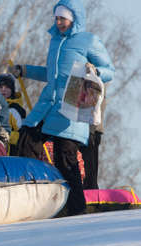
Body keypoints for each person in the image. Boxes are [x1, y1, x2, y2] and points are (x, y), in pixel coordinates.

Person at [10, 0, 114, 216]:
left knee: (65, 159)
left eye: (63, 18)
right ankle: (30, 199)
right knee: (26, 143)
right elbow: (50, 74)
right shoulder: (55, 41)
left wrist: (95, 70)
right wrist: (25, 70)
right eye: (56, 18)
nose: (59, 23)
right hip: (47, 108)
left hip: (71, 107)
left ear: (74, 18)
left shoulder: (88, 41)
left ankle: (76, 208)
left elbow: (110, 71)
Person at [0, 73, 27, 156]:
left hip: (11, 153)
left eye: (7, 87)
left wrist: (6, 135)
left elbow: (22, 136)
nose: (3, 90)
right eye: (0, 87)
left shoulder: (15, 109)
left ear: (12, 89)